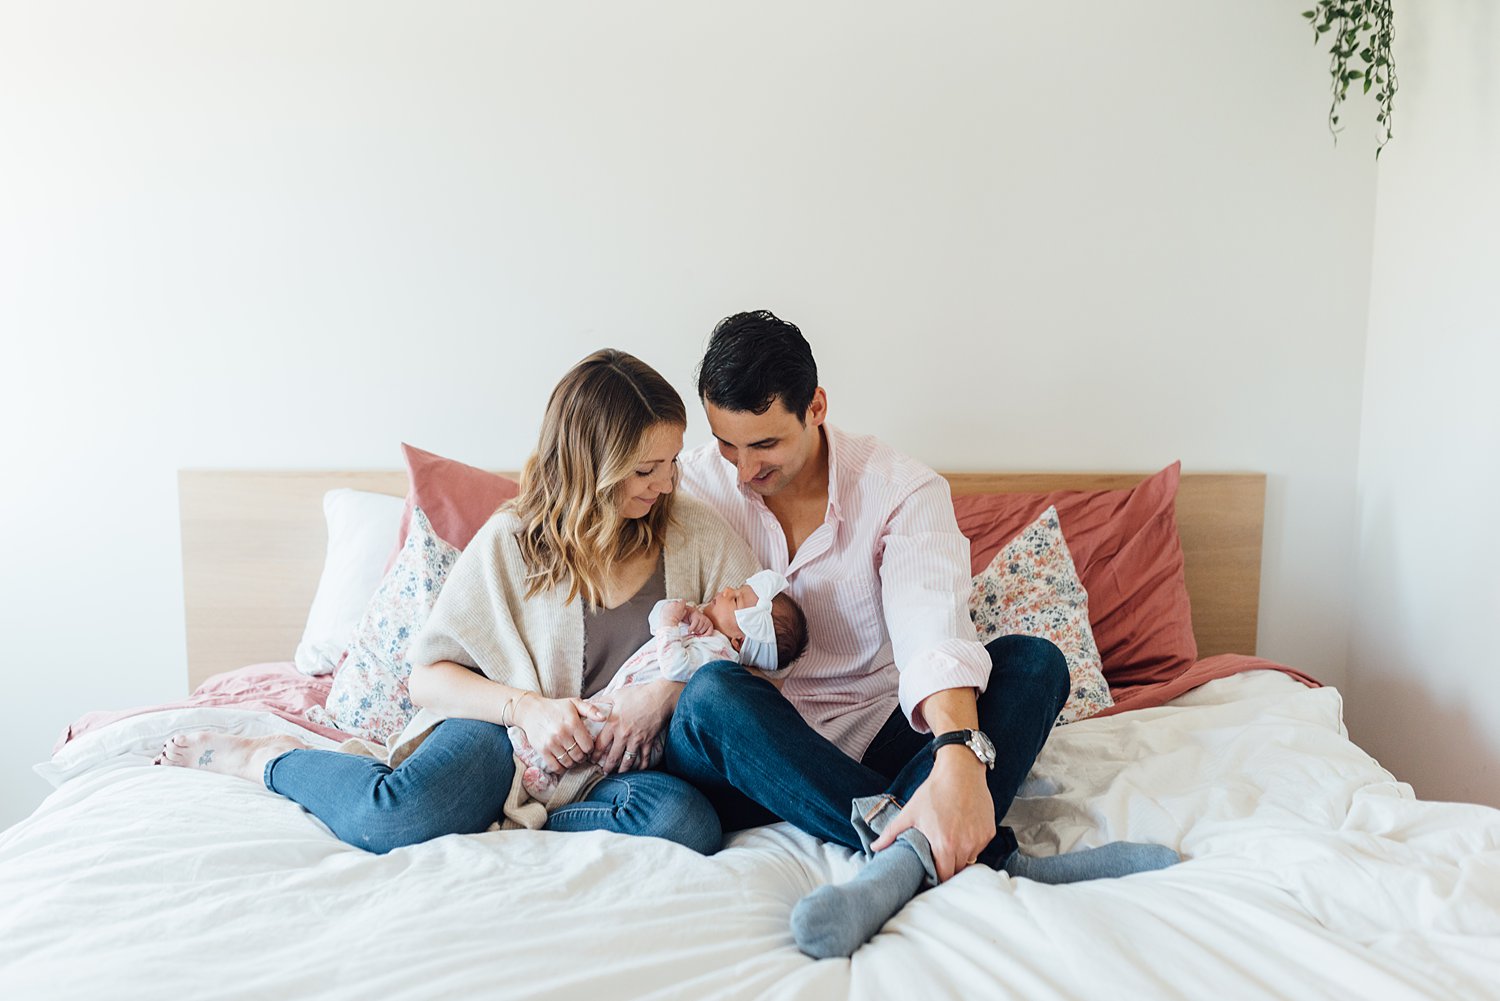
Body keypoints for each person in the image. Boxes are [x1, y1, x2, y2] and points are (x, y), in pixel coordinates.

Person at [665, 310, 1179, 958]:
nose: (741, 469)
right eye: (726, 444)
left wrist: (958, 752)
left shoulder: (899, 489)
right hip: (747, 756)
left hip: (876, 738)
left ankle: (904, 853)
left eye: (764, 445)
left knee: (1035, 662)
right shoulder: (687, 483)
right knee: (710, 695)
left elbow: (929, 624)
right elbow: (584, 518)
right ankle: (975, 853)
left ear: (815, 407)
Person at [158, 349, 760, 856]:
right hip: (498, 735)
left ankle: (517, 821)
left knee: (687, 825)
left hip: (606, 772)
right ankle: (269, 759)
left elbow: (756, 661)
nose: (665, 484)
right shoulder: (512, 540)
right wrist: (529, 711)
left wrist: (667, 693)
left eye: (673, 462)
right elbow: (427, 677)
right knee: (390, 819)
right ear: (590, 467)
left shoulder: (695, 535)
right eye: (644, 469)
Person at [512, 570, 809, 797]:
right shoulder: (704, 626)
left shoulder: (719, 655)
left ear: (739, 640)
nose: (727, 589)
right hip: (627, 692)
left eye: (735, 599)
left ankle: (546, 767)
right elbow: (658, 618)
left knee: (596, 734)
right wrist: (680, 612)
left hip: (646, 733)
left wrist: (671, 627)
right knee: (592, 720)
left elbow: (676, 667)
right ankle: (551, 768)